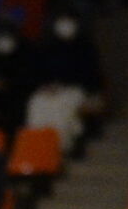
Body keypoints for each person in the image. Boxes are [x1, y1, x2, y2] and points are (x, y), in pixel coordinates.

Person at [22, 11, 104, 148]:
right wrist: (46, 85)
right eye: (61, 21)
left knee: (61, 106)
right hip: (49, 89)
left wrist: (91, 93)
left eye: (68, 21)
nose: (65, 25)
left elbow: (90, 74)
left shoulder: (86, 47)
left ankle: (61, 145)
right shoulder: (48, 47)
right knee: (36, 103)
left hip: (76, 89)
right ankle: (37, 145)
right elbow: (39, 72)